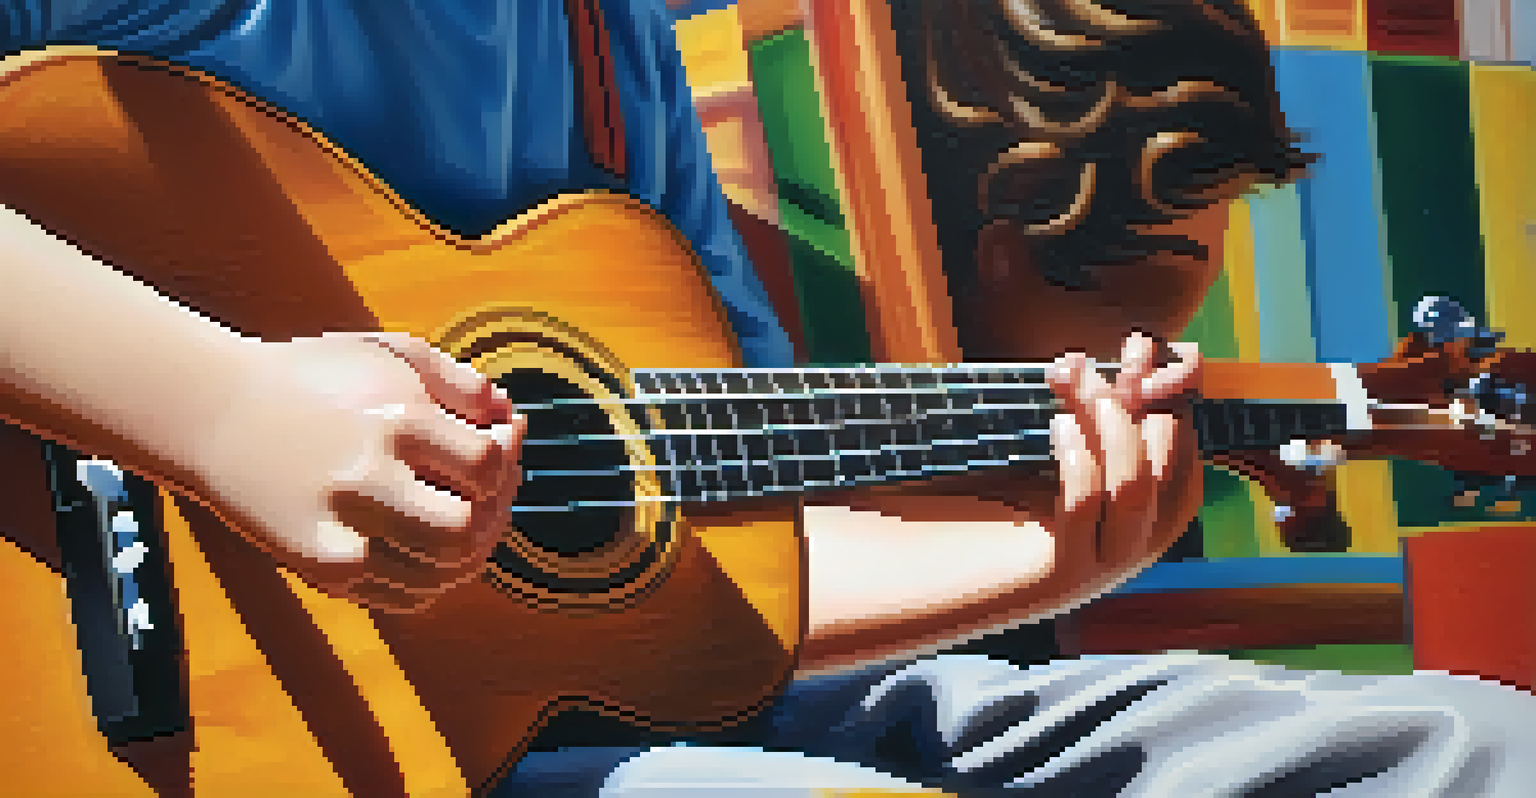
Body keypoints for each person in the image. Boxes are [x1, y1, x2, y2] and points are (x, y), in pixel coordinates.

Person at [0, 2, 1529, 797]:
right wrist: (214, 411)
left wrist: (1052, 560)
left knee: (1468, 749)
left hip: (648, 696)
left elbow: (711, 548)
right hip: (211, 741)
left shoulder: (610, 48)